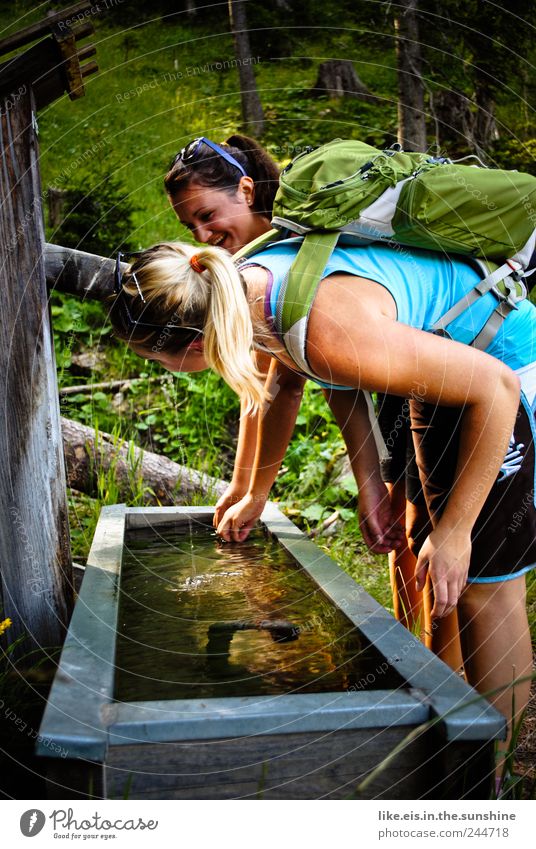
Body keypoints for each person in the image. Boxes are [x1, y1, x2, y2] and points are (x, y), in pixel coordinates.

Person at [109, 235, 535, 777]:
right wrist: (366, 484)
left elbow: (493, 390)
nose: (162, 368)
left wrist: (456, 531)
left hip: (506, 372)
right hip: (443, 371)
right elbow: (321, 376)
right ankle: (450, 736)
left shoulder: (322, 328)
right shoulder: (242, 290)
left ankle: (495, 777)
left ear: (194, 345)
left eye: (157, 359)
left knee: (483, 590)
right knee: (437, 573)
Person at [163, 136, 450, 659]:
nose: (203, 236)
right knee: (398, 533)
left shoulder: (283, 251)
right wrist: (243, 485)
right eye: (191, 228)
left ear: (246, 191)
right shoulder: (251, 263)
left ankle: (444, 685)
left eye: (206, 215)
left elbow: (287, 385)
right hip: (383, 378)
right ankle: (411, 659)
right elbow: (265, 386)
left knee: (418, 527)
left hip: (424, 357)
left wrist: (256, 494)